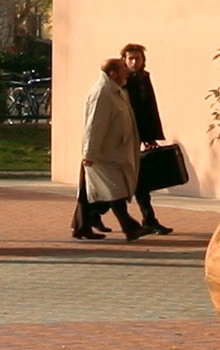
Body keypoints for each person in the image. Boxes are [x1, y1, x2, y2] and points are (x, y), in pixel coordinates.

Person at [73, 55, 151, 241]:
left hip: (114, 151)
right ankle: (130, 227)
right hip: (104, 153)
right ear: (113, 73)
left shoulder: (116, 91)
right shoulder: (102, 93)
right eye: (124, 70)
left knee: (92, 191)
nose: (127, 73)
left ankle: (81, 226)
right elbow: (95, 125)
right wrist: (90, 153)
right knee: (114, 190)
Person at [119, 43, 178, 233]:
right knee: (117, 180)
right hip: (123, 138)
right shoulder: (121, 81)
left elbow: (149, 109)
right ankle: (91, 214)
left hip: (138, 136)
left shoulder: (143, 78)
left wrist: (151, 136)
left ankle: (148, 219)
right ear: (124, 60)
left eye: (138, 58)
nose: (134, 62)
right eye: (131, 58)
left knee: (139, 179)